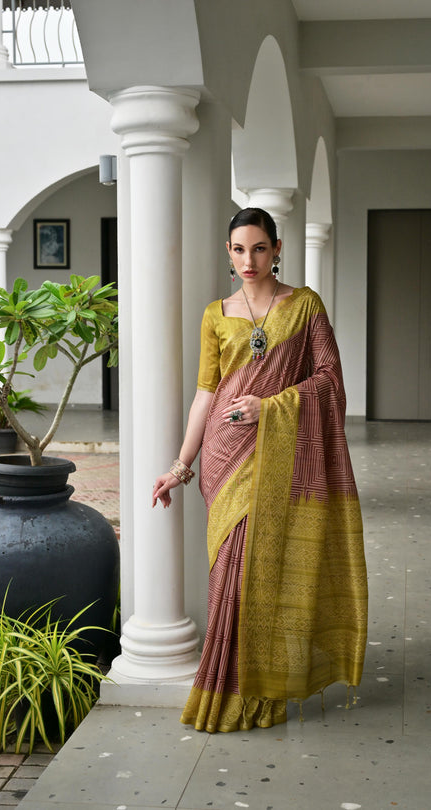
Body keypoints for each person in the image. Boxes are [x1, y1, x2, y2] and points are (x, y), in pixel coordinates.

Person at [152, 207, 368, 733]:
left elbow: (330, 382)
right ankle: (227, 682)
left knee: (262, 567)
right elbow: (206, 394)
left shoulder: (304, 307)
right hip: (225, 458)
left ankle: (259, 685)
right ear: (228, 253)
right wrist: (180, 466)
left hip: (281, 450)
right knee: (231, 569)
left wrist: (269, 407)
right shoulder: (215, 314)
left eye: (259, 249)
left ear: (277, 249)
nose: (249, 260)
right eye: (238, 249)